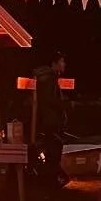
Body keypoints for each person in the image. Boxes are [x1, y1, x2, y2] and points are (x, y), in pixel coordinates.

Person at [31, 50, 68, 187]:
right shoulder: (49, 79)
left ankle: (50, 182)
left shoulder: (47, 78)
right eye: (62, 61)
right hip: (51, 123)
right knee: (53, 154)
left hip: (49, 122)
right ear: (54, 63)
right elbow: (48, 99)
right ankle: (50, 184)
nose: (64, 64)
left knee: (52, 154)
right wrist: (64, 104)